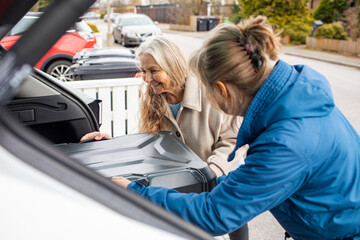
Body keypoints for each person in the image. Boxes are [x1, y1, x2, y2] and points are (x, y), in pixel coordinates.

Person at [112, 16, 360, 240]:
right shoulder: (296, 98)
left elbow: (215, 214)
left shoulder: (286, 142)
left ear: (221, 90)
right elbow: (245, 182)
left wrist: (137, 194)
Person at [81, 36, 249, 239]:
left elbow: (233, 141)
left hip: (220, 179)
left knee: (232, 219)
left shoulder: (210, 91)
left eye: (153, 71)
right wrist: (112, 145)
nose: (147, 78)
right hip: (184, 186)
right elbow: (149, 141)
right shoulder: (152, 97)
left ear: (173, 66)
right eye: (143, 71)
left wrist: (210, 173)